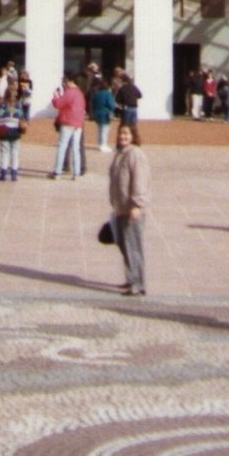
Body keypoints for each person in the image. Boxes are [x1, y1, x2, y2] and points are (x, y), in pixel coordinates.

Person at [109, 123, 151, 296]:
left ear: (133, 135)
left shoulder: (135, 154)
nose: (122, 136)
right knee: (125, 245)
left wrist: (137, 204)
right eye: (120, 133)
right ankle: (131, 278)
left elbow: (139, 181)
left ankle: (138, 284)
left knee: (133, 246)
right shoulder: (120, 153)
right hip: (121, 208)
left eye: (126, 134)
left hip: (132, 208)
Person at [48, 72, 86, 180]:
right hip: (78, 123)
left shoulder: (70, 92)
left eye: (64, 81)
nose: (63, 83)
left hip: (68, 121)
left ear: (69, 80)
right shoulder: (80, 93)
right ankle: (76, 172)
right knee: (76, 148)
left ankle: (57, 171)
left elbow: (58, 104)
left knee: (62, 146)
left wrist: (55, 96)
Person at [0, 85, 26, 181]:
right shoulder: (18, 105)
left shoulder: (2, 105)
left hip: (4, 131)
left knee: (5, 152)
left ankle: (3, 173)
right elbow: (21, 116)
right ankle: (14, 173)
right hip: (15, 131)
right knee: (15, 152)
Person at [91, 78, 116, 153]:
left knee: (99, 130)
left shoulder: (96, 94)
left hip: (97, 113)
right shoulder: (108, 94)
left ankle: (100, 144)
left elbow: (93, 104)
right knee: (105, 130)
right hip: (105, 114)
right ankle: (103, 145)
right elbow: (111, 105)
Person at [115, 74, 142, 140]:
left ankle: (121, 141)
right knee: (133, 126)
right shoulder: (134, 87)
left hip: (126, 108)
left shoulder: (122, 88)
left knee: (124, 126)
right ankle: (135, 140)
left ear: (123, 81)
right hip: (134, 108)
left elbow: (117, 99)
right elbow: (140, 95)